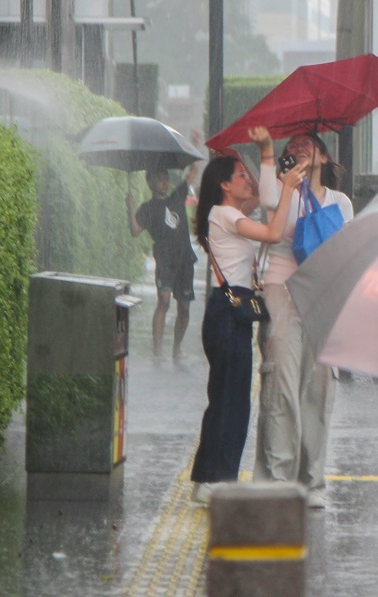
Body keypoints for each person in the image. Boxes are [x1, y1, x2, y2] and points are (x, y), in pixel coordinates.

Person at [249, 127, 355, 509]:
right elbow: (265, 199)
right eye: (292, 145)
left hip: (322, 296)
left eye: (309, 142)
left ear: (324, 157)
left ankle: (312, 481)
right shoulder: (280, 191)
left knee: (318, 388)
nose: (299, 146)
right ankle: (276, 478)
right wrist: (267, 152)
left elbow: (344, 249)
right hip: (280, 290)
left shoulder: (340, 201)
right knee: (280, 381)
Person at [190, 155, 302, 504]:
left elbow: (257, 197)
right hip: (228, 312)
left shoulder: (225, 213)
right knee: (230, 402)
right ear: (224, 185)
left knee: (227, 398)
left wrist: (262, 165)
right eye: (239, 176)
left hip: (228, 311)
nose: (246, 180)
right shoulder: (225, 215)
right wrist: (289, 189)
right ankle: (216, 480)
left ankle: (208, 478)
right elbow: (272, 231)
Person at [127, 162, 199, 364]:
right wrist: (130, 208)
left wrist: (195, 143)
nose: (164, 181)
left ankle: (177, 349)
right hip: (165, 260)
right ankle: (157, 349)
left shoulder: (177, 196)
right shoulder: (148, 208)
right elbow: (134, 231)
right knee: (164, 301)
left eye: (166, 177)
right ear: (149, 182)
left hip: (185, 259)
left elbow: (193, 171)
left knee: (184, 308)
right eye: (159, 178)